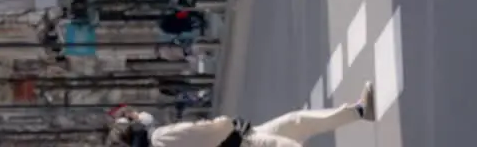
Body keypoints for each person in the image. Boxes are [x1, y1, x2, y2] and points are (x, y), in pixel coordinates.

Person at [106, 83, 375, 147]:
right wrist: (231, 124)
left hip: (244, 138)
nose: (140, 115)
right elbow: (207, 130)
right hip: (243, 142)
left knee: (297, 122)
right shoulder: (161, 138)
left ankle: (360, 111)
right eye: (133, 118)